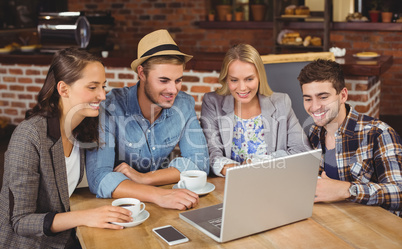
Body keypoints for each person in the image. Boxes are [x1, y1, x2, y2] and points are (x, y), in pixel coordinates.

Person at [0, 48, 134, 249]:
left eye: (103, 86)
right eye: (92, 87)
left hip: (66, 240)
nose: (102, 95)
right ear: (63, 88)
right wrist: (85, 216)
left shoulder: (85, 128)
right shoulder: (29, 136)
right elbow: (21, 222)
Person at [86, 29, 209, 210]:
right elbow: (99, 177)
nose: (173, 90)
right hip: (122, 207)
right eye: (164, 80)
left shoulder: (184, 104)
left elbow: (200, 162)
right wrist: (159, 195)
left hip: (166, 202)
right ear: (142, 73)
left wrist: (146, 178)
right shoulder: (110, 107)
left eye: (178, 80)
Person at [298, 59, 402, 217]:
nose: (314, 106)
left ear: (343, 95)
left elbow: (399, 193)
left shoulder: (379, 133)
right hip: (334, 224)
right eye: (308, 99)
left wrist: (347, 190)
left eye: (323, 97)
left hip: (374, 230)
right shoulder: (313, 133)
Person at [200, 44, 310, 176]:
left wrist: (257, 163)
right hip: (229, 183)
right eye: (234, 80)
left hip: (274, 181)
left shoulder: (281, 102)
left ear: (259, 77)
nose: (242, 88)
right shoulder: (212, 102)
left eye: (249, 79)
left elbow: (301, 150)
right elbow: (212, 153)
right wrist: (237, 171)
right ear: (226, 79)